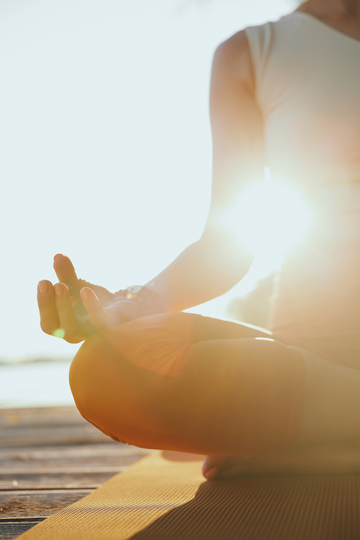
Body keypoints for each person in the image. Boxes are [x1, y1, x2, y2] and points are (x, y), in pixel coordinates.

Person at [37, 0, 360, 480]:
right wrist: (135, 305)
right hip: (317, 362)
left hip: (322, 390)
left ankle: (314, 437)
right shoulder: (252, 52)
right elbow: (225, 245)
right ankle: (326, 428)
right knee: (104, 373)